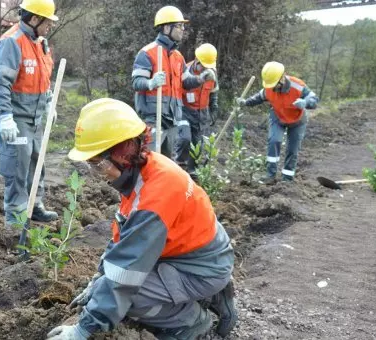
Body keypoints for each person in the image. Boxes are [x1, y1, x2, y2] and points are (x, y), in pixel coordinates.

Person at [47, 98, 237, 339]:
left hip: (200, 266)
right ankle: (212, 294)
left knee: (129, 300)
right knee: (111, 290)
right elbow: (125, 239)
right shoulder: (147, 170)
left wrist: (83, 329)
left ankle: (192, 321)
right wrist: (98, 278)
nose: (97, 173)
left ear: (122, 154)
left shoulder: (154, 197)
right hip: (197, 255)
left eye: (98, 164)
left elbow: (125, 276)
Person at [0, 0, 59, 229]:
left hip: (36, 118)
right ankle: (17, 218)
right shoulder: (12, 42)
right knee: (17, 167)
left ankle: (34, 205)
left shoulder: (41, 43)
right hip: (16, 119)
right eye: (47, 21)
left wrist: (49, 103)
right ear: (35, 19)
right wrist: (5, 117)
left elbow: (43, 79)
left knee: (36, 163)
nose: (50, 26)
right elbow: (0, 84)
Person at [132, 6, 215, 158]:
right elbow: (137, 82)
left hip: (172, 120)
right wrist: (151, 83)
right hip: (153, 118)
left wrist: (201, 78)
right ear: (166, 27)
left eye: (182, 26)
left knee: (167, 163)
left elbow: (186, 82)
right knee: (148, 160)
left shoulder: (178, 57)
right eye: (179, 26)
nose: (182, 29)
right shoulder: (147, 53)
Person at [237, 61, 319, 184]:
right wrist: (245, 102)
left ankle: (287, 179)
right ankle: (270, 175)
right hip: (278, 117)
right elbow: (258, 98)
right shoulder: (269, 88)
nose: (273, 88)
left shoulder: (298, 86)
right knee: (274, 141)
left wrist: (306, 103)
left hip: (297, 121)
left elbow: (314, 99)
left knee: (292, 149)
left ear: (283, 77)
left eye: (275, 84)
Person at [175, 43, 220, 180]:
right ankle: (179, 166)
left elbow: (214, 92)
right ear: (196, 60)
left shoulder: (213, 73)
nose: (205, 69)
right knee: (184, 139)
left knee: (197, 144)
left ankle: (192, 170)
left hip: (201, 113)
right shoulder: (186, 71)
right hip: (184, 110)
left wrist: (214, 108)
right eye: (203, 66)